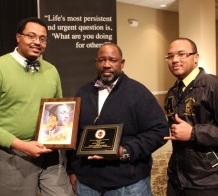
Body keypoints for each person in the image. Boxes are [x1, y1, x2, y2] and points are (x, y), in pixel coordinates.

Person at [0, 17, 74, 196]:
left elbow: (59, 109)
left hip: (49, 154)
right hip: (10, 155)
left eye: (42, 38)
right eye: (31, 36)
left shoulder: (51, 70)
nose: (37, 42)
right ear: (18, 37)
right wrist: (21, 145)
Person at [66, 43, 169, 196]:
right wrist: (72, 170)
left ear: (122, 63)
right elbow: (74, 135)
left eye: (112, 60)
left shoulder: (138, 93)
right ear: (96, 63)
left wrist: (124, 151)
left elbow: (159, 131)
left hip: (128, 185)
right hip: (87, 184)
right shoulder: (82, 93)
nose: (106, 65)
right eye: (102, 60)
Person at [164, 38, 218, 196]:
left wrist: (194, 133)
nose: (174, 60)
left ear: (195, 57)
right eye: (170, 56)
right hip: (178, 177)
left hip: (210, 180)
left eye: (181, 54)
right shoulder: (172, 93)